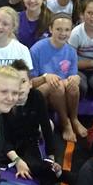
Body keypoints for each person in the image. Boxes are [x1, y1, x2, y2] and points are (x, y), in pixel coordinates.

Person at [4, 62, 72, 185]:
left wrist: (51, 157)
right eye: (15, 83)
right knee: (32, 167)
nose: (19, 87)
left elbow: (46, 127)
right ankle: (58, 174)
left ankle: (56, 172)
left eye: (23, 81)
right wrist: (17, 160)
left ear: (30, 83)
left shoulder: (36, 97)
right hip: (10, 147)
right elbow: (3, 139)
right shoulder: (5, 103)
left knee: (37, 165)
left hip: (30, 141)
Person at [31, 13, 84, 142]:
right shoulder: (37, 49)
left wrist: (76, 78)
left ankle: (74, 118)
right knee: (57, 86)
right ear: (51, 29)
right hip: (41, 91)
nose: (63, 33)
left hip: (62, 91)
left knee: (74, 86)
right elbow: (30, 83)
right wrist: (45, 77)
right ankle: (65, 123)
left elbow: (72, 75)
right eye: (58, 29)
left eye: (67, 30)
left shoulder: (71, 51)